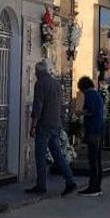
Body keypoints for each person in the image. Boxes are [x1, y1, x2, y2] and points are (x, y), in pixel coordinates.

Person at [26, 61, 77, 196]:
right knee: (57, 154)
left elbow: (38, 105)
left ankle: (41, 184)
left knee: (40, 155)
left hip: (44, 124)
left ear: (38, 72)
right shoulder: (56, 84)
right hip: (55, 123)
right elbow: (60, 104)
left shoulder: (40, 83)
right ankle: (69, 180)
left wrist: (33, 125)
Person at [77, 76, 105, 197]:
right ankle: (97, 185)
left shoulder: (89, 95)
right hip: (99, 129)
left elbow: (90, 111)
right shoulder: (97, 95)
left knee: (92, 159)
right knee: (97, 159)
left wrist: (80, 113)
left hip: (93, 130)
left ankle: (93, 186)